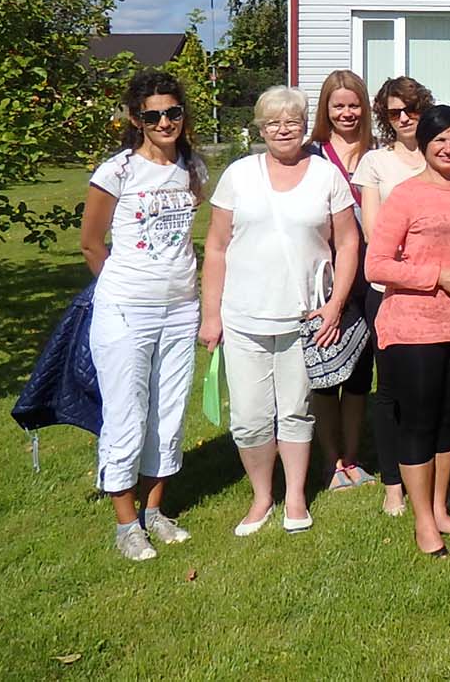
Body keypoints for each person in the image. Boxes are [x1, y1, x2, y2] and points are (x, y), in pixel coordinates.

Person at [200, 87, 359, 537]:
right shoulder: (238, 175)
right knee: (249, 416)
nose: (283, 130)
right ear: (260, 128)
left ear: (305, 125)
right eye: (273, 123)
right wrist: (211, 315)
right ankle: (261, 496)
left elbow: (348, 242)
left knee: (295, 411)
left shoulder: (326, 176)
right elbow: (216, 247)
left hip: (304, 319)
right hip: (244, 316)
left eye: (292, 121)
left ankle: (295, 497)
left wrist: (335, 305)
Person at [365, 105, 450, 557]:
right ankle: (423, 522)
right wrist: (438, 276)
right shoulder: (405, 195)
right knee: (419, 421)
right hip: (414, 327)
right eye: (439, 139)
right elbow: (376, 265)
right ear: (424, 144)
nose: (448, 147)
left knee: (448, 418)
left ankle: (441, 509)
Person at [80, 70, 208, 561]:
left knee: (169, 414)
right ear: (136, 120)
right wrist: (125, 288)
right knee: (127, 414)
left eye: (172, 112)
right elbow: (91, 244)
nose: (164, 123)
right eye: (153, 116)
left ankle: (155, 511)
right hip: (126, 310)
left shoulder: (192, 168)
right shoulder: (117, 171)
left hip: (181, 308)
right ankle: (126, 524)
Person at [350, 75, 435, 516]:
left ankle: (433, 478)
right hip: (389, 289)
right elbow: (372, 229)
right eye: (394, 112)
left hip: (436, 288)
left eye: (411, 109)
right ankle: (392, 484)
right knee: (390, 388)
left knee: (430, 388)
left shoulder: (441, 154)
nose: (404, 118)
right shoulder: (376, 162)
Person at [305, 69, 377, 491]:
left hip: (371, 273)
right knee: (324, 369)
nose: (347, 113)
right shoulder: (311, 154)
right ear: (326, 109)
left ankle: (353, 457)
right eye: (338, 106)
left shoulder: (377, 151)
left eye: (354, 105)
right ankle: (331, 462)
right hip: (324, 274)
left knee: (359, 373)